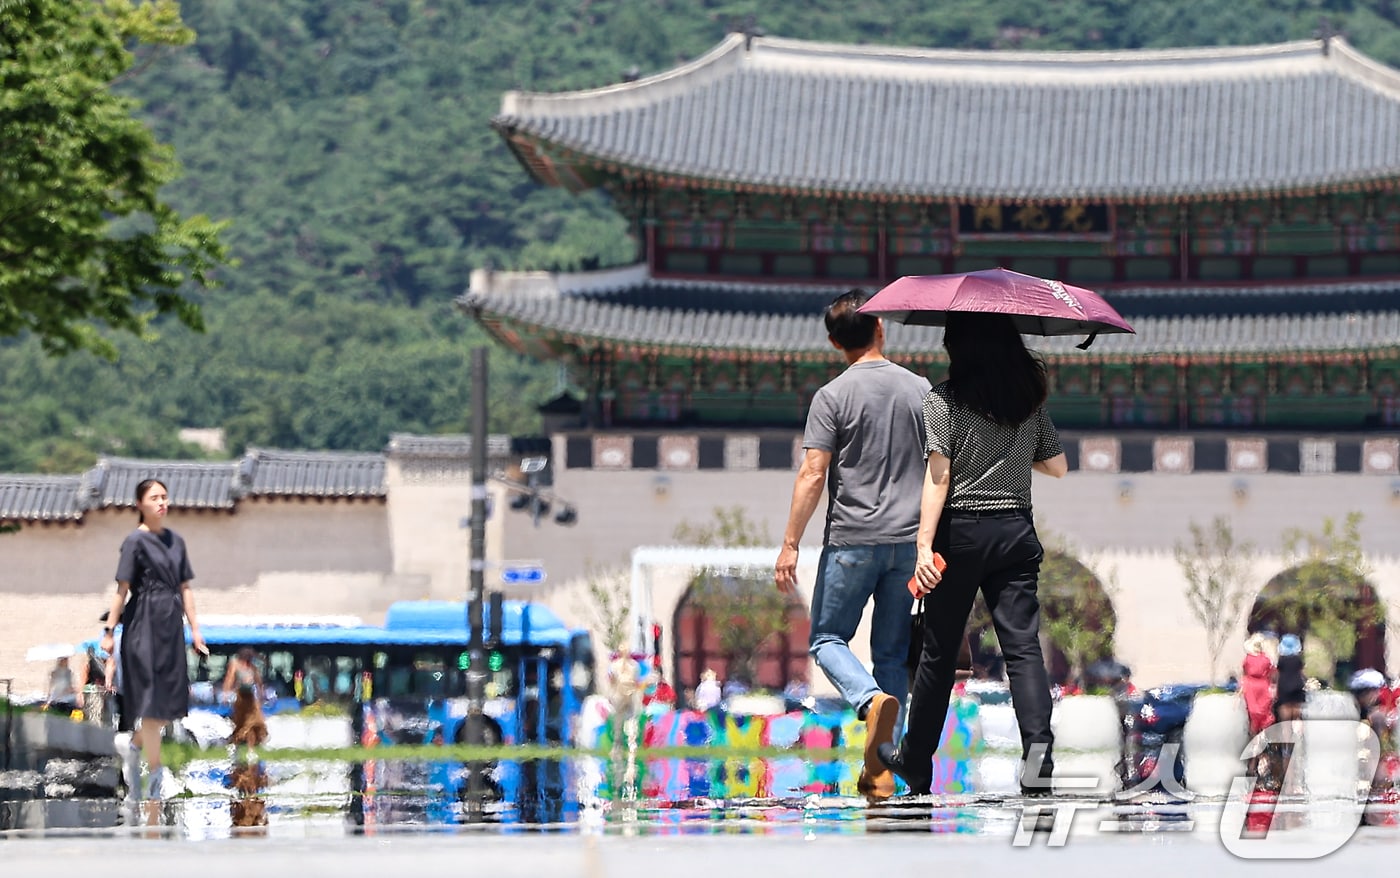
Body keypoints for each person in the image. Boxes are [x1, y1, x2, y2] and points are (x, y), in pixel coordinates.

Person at [877, 311, 1068, 797]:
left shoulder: (944, 399)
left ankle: (916, 763)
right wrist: (1011, 451)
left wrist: (923, 546)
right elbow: (1059, 468)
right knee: (1023, 651)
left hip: (960, 534)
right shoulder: (1029, 400)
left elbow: (938, 477)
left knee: (939, 654)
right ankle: (1039, 766)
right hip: (1016, 532)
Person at [774, 289, 930, 799]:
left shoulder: (831, 396)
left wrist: (790, 543)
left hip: (851, 540)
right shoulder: (921, 391)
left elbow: (813, 471)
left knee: (827, 640)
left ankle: (867, 702)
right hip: (907, 544)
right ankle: (885, 769)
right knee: (891, 654)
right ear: (880, 327)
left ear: (833, 342)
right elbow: (941, 468)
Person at [99, 478, 207, 801]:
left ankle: (131, 745)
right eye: (154, 497)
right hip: (142, 622)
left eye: (165, 497)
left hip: (170, 625)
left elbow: (186, 587)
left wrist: (195, 629)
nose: (162, 502)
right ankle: (157, 774)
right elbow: (121, 590)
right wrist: (109, 632)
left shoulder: (177, 542)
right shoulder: (134, 542)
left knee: (168, 701)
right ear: (140, 505)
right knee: (150, 699)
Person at [223, 647, 268, 748]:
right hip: (240, 698)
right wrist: (226, 694)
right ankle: (237, 741)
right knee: (241, 722)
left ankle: (253, 742)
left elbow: (259, 682)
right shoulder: (235, 665)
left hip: (250, 698)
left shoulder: (252, 667)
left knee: (255, 721)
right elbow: (229, 679)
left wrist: (261, 696)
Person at [1241, 633, 1277, 737]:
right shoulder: (1265, 659)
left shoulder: (1250, 659)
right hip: (1260, 686)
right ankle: (1259, 739)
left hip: (1253, 686)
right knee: (1261, 712)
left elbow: (1244, 671)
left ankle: (1256, 738)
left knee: (1255, 712)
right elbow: (1272, 673)